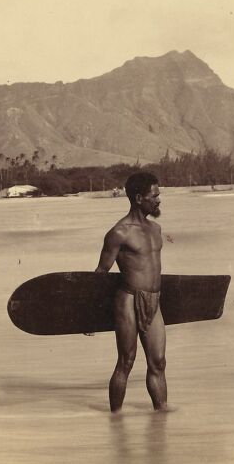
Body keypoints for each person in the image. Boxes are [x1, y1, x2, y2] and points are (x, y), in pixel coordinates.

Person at [95, 172, 167, 412]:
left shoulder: (156, 229)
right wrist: (89, 312)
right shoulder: (119, 233)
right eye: (154, 196)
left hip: (154, 301)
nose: (158, 200)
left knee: (158, 362)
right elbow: (101, 272)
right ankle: (115, 417)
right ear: (138, 198)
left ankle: (162, 416)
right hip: (128, 299)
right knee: (126, 361)